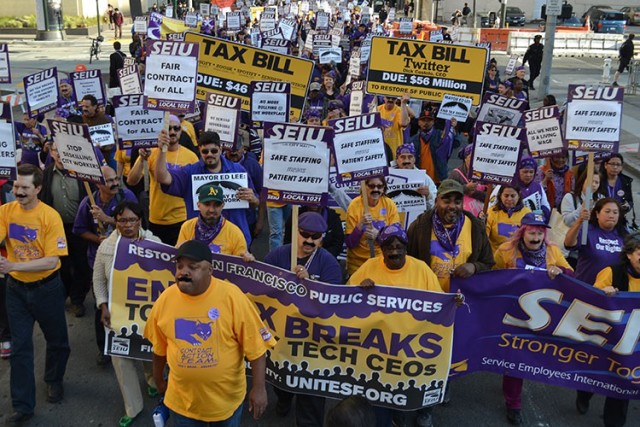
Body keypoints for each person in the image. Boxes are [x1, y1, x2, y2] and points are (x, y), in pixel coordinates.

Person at [144, 239, 276, 425]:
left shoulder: (232, 297)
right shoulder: (166, 299)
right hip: (182, 406)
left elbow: (256, 348)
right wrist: (158, 381)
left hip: (225, 405)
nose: (184, 272)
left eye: (193, 267)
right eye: (180, 266)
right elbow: (158, 349)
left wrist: (259, 388)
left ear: (210, 271)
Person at [348, 223, 443, 427]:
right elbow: (346, 298)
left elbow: (439, 303)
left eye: (399, 246)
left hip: (410, 345)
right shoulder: (369, 267)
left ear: (406, 248)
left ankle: (402, 414)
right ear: (381, 250)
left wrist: (455, 303)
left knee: (404, 391)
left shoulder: (421, 269)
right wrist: (359, 289)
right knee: (381, 397)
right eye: (389, 247)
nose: (394, 251)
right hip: (378, 348)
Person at [0, 164, 70, 423]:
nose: (17, 191)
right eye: (16, 186)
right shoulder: (5, 212)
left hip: (47, 288)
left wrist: (12, 265)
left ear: (38, 189)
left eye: (24, 188)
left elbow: (52, 261)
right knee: (20, 348)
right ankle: (22, 406)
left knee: (58, 341)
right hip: (16, 291)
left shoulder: (50, 217)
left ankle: (54, 379)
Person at [493, 212, 572, 425]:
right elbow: (493, 277)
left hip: (541, 320)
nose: (536, 237)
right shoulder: (505, 251)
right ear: (522, 232)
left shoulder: (553, 251)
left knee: (530, 358)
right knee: (515, 359)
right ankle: (514, 404)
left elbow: (571, 276)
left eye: (540, 232)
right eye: (531, 232)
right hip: (513, 316)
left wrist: (560, 270)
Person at [264, 212, 342, 426]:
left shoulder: (329, 263)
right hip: (282, 337)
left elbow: (334, 303)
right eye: (304, 234)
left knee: (311, 401)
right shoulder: (278, 255)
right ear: (295, 233)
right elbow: (259, 286)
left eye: (315, 236)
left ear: (322, 238)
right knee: (281, 382)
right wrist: (250, 264)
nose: (309, 240)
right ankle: (284, 398)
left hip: (313, 343)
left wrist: (311, 285)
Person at [93, 201, 159, 427]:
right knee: (122, 361)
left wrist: (148, 249)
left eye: (132, 220)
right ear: (116, 222)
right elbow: (99, 281)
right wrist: (103, 305)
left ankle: (153, 380)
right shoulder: (106, 248)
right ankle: (133, 406)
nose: (127, 225)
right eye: (122, 220)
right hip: (117, 315)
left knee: (149, 350)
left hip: (146, 314)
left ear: (139, 220)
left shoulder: (154, 242)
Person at [154, 130, 259, 246]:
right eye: (205, 151)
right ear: (199, 150)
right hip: (200, 244)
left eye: (213, 150)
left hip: (235, 241)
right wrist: (162, 150)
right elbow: (162, 178)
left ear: (220, 149)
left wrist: (253, 199)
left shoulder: (238, 170)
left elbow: (255, 202)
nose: (209, 154)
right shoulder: (190, 172)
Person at [407, 179, 494, 293]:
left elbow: (488, 262)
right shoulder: (419, 227)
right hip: (429, 299)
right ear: (436, 201)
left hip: (462, 299)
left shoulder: (476, 227)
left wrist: (474, 267)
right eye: (447, 201)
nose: (452, 206)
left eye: (457, 202)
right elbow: (408, 262)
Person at [590, 232, 640, 426]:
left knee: (623, 383)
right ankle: (584, 394)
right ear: (629, 254)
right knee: (594, 374)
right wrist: (604, 293)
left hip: (632, 344)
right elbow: (591, 299)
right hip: (607, 336)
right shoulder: (611, 272)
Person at [127, 116, 199, 245]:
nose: (172, 132)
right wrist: (142, 159)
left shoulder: (191, 156)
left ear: (181, 131)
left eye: (176, 128)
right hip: (156, 218)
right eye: (168, 128)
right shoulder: (151, 152)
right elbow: (132, 181)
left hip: (182, 218)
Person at [40, 142, 92, 317]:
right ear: (52, 153)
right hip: (56, 231)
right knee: (61, 265)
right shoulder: (45, 175)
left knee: (81, 265)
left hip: (79, 229)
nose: (60, 154)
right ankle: (63, 296)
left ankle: (77, 299)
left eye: (64, 151)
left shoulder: (81, 174)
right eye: (56, 150)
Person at [177, 183, 252, 260]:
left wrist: (248, 260)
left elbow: (240, 264)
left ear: (222, 206)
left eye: (217, 205)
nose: (211, 210)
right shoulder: (187, 227)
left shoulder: (234, 232)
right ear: (198, 205)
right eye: (207, 204)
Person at [345, 177, 400, 276]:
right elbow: (350, 243)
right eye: (371, 186)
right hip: (358, 265)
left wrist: (379, 236)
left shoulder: (389, 204)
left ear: (383, 188)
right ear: (364, 187)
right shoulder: (354, 205)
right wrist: (360, 225)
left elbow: (396, 239)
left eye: (379, 186)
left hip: (382, 263)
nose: (375, 190)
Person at [410, 109, 459, 185]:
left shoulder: (441, 136)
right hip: (420, 180)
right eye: (423, 120)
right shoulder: (412, 140)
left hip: (439, 179)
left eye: (429, 120)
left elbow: (456, 143)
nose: (426, 123)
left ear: (433, 122)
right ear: (418, 122)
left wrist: (453, 129)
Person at [486, 185, 532, 253]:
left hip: (518, 257)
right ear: (500, 196)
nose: (509, 199)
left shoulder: (527, 213)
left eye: (513, 196)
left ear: (518, 196)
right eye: (506, 196)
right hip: (495, 257)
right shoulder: (491, 212)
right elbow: (484, 237)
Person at [597, 154, 635, 229]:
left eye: (618, 165)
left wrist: (627, 206)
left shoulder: (625, 181)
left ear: (621, 167)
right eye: (612, 164)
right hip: (601, 219)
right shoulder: (598, 180)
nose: (615, 167)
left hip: (619, 219)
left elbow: (630, 201)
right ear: (605, 165)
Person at [448, 144, 486, 218]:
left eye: (477, 158)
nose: (474, 161)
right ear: (465, 158)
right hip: (460, 215)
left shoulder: (485, 174)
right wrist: (465, 188)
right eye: (471, 157)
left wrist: (475, 193)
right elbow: (448, 191)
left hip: (481, 216)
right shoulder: (456, 174)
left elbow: (492, 196)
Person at [378, 94, 410, 158]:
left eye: (393, 98)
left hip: (394, 152)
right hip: (378, 151)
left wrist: (403, 104)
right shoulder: (377, 109)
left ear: (396, 99)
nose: (390, 100)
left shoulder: (400, 110)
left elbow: (404, 124)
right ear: (384, 98)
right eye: (388, 97)